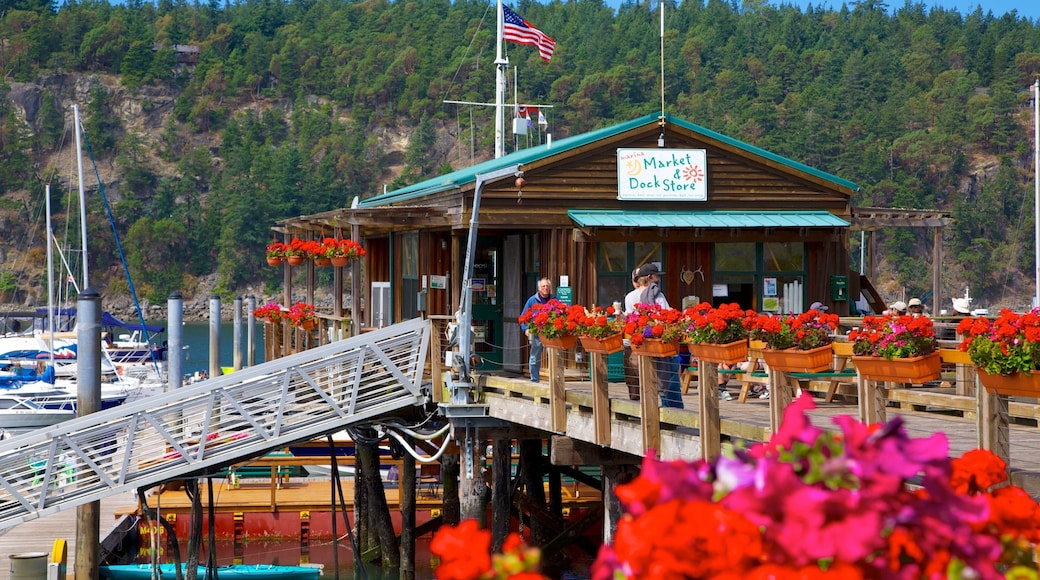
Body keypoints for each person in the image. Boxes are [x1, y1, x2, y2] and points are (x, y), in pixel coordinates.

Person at [633, 263, 684, 409]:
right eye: (656, 276)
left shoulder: (631, 296)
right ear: (649, 277)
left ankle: (652, 409)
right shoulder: (657, 294)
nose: (658, 280)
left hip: (642, 345)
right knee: (670, 376)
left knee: (648, 379)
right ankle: (673, 412)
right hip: (660, 343)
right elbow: (665, 314)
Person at [520, 277, 555, 382]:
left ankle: (554, 381)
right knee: (534, 357)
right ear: (539, 288)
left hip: (551, 333)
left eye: (547, 286)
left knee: (554, 357)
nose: (545, 288)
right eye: (543, 286)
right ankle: (534, 380)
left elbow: (561, 313)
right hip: (536, 333)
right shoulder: (532, 300)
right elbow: (523, 317)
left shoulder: (554, 300)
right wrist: (525, 329)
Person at [622, 268, 643, 401]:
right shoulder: (657, 293)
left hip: (634, 338)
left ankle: (635, 402)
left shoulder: (631, 296)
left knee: (633, 372)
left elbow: (630, 318)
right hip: (649, 338)